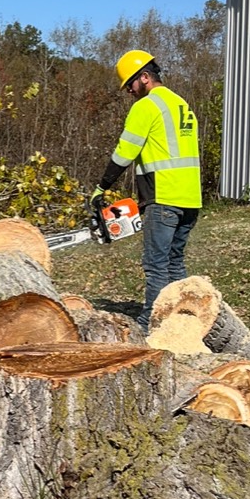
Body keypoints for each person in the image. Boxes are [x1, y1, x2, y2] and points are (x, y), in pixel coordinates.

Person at [91, 49, 202, 331]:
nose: (129, 90)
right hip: (191, 197)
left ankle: (150, 323)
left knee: (156, 266)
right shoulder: (181, 104)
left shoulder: (147, 106)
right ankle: (183, 321)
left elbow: (125, 152)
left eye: (130, 84)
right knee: (175, 263)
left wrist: (102, 186)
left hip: (163, 196)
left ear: (144, 77)